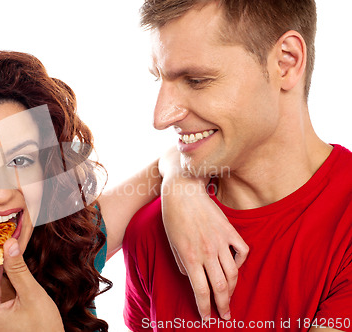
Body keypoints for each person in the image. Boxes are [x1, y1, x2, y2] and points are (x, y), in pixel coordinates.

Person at [0, 50, 247, 331]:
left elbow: (166, 163)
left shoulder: (70, 252)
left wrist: (182, 188)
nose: (1, 193)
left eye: (20, 161)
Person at [123, 0, 352, 331]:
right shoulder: (150, 232)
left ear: (286, 62)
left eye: (197, 80)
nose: (161, 118)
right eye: (159, 78)